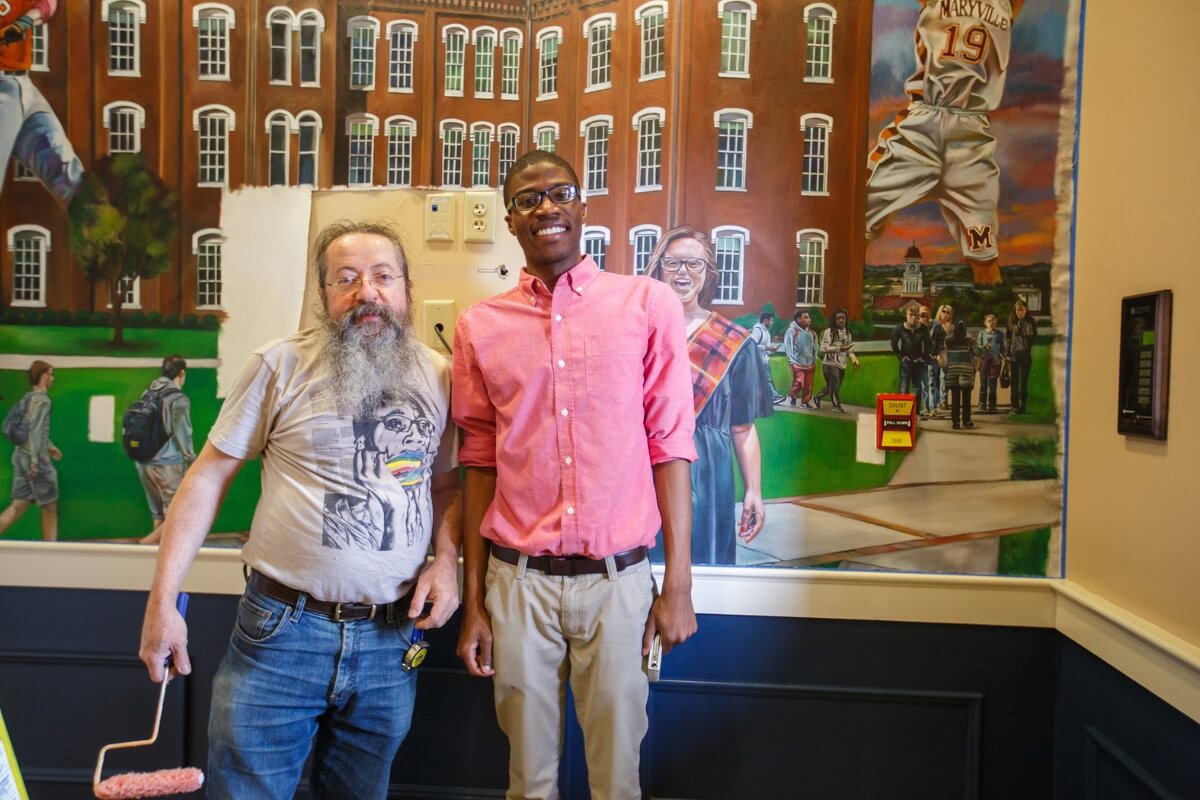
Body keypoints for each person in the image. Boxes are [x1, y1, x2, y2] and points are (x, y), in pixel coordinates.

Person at [137, 221, 462, 799]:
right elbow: (208, 476)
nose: (367, 292)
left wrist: (447, 560)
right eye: (347, 278)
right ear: (323, 296)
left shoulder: (441, 376)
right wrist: (163, 601)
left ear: (407, 288)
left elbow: (444, 487)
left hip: (392, 640)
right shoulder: (278, 365)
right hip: (282, 634)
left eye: (383, 276)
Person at [453, 150, 698, 799]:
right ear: (511, 219)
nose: (547, 208)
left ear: (582, 204)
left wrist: (678, 584)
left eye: (559, 193)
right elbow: (477, 460)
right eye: (529, 199)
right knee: (527, 784)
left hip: (619, 586)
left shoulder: (648, 305)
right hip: (518, 584)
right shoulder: (480, 327)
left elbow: (671, 446)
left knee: (617, 783)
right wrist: (474, 600)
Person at [865, 0, 1025, 287]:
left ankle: (993, 319)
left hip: (971, 135)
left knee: (985, 258)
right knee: (853, 221)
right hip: (924, 123)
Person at [646, 225, 772, 566]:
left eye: (694, 264)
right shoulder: (635, 330)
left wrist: (754, 492)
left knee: (704, 570)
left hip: (709, 475)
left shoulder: (735, 342)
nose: (682, 272)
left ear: (708, 272)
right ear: (658, 267)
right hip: (646, 471)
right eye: (672, 263)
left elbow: (742, 428)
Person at [0, 1, 84, 203]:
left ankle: (102, 230)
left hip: (22, 85)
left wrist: (23, 23)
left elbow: (48, 4)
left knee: (68, 171)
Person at [136, 355, 196, 545]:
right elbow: (183, 433)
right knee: (178, 514)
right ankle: (144, 544)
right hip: (167, 464)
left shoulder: (148, 392)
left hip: (143, 463)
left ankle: (154, 558)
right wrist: (192, 461)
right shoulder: (178, 398)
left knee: (159, 514)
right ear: (181, 373)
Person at [0, 360, 62, 541]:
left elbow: (30, 429)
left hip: (20, 455)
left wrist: (50, 446)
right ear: (44, 376)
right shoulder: (43, 400)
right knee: (49, 508)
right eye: (50, 374)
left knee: (18, 506)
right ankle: (51, 552)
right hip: (36, 460)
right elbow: (35, 430)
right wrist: (36, 460)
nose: (52, 378)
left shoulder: (28, 398)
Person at [812, 309, 859, 412]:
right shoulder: (829, 332)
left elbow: (850, 349)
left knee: (832, 386)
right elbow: (824, 348)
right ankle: (836, 405)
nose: (841, 320)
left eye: (843, 318)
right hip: (829, 364)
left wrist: (854, 359)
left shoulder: (848, 333)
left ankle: (818, 397)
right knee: (835, 386)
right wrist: (839, 349)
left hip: (841, 364)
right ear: (834, 319)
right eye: (838, 318)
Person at [890, 306, 931, 412]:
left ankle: (915, 411)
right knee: (904, 385)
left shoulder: (923, 328)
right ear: (906, 316)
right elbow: (894, 343)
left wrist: (924, 358)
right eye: (910, 315)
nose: (913, 318)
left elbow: (928, 344)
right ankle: (903, 411)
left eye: (915, 315)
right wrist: (901, 356)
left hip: (919, 361)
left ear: (918, 316)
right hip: (906, 361)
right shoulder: (900, 328)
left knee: (918, 386)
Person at [942, 320, 979, 429]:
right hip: (966, 370)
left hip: (952, 369)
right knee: (966, 397)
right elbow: (977, 352)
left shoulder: (948, 340)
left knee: (955, 397)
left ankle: (956, 422)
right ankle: (966, 421)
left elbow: (944, 353)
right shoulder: (970, 339)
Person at [1007, 299, 1038, 414]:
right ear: (1014, 311)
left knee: (1023, 380)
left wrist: (1026, 334)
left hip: (1025, 354)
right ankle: (1014, 405)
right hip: (1014, 354)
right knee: (1014, 380)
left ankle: (1022, 405)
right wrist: (1007, 354)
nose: (1020, 312)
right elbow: (1008, 338)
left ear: (1026, 310)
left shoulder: (1031, 322)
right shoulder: (1011, 322)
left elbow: (1033, 336)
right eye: (1017, 310)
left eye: (1022, 310)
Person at [783, 309, 819, 408]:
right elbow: (788, 347)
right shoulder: (792, 331)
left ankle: (806, 401)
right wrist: (791, 360)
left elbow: (815, 347)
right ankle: (793, 394)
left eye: (809, 317)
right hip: (797, 362)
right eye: (806, 317)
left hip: (810, 363)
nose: (809, 319)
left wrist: (814, 360)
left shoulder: (812, 333)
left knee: (808, 385)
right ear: (798, 319)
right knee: (799, 382)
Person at [748, 311, 785, 404]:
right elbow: (752, 344)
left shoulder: (766, 332)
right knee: (766, 379)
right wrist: (767, 348)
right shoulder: (757, 330)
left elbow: (766, 348)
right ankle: (774, 397)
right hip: (758, 361)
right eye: (771, 320)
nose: (772, 323)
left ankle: (769, 397)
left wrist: (771, 350)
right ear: (765, 320)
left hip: (764, 360)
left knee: (764, 380)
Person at [927, 304, 955, 415]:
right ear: (939, 312)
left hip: (945, 354)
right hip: (933, 354)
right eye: (943, 311)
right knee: (933, 378)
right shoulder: (933, 323)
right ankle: (934, 402)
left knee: (944, 377)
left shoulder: (951, 327)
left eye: (948, 312)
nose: (945, 314)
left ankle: (943, 400)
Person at [976, 313, 1005, 413]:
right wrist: (984, 346)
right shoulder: (982, 333)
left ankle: (992, 405)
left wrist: (1005, 357)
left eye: (993, 320)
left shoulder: (999, 334)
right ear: (985, 323)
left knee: (993, 385)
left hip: (995, 361)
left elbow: (1002, 348)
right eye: (989, 321)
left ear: (996, 322)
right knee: (983, 383)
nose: (991, 323)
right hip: (984, 360)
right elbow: (978, 346)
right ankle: (982, 403)